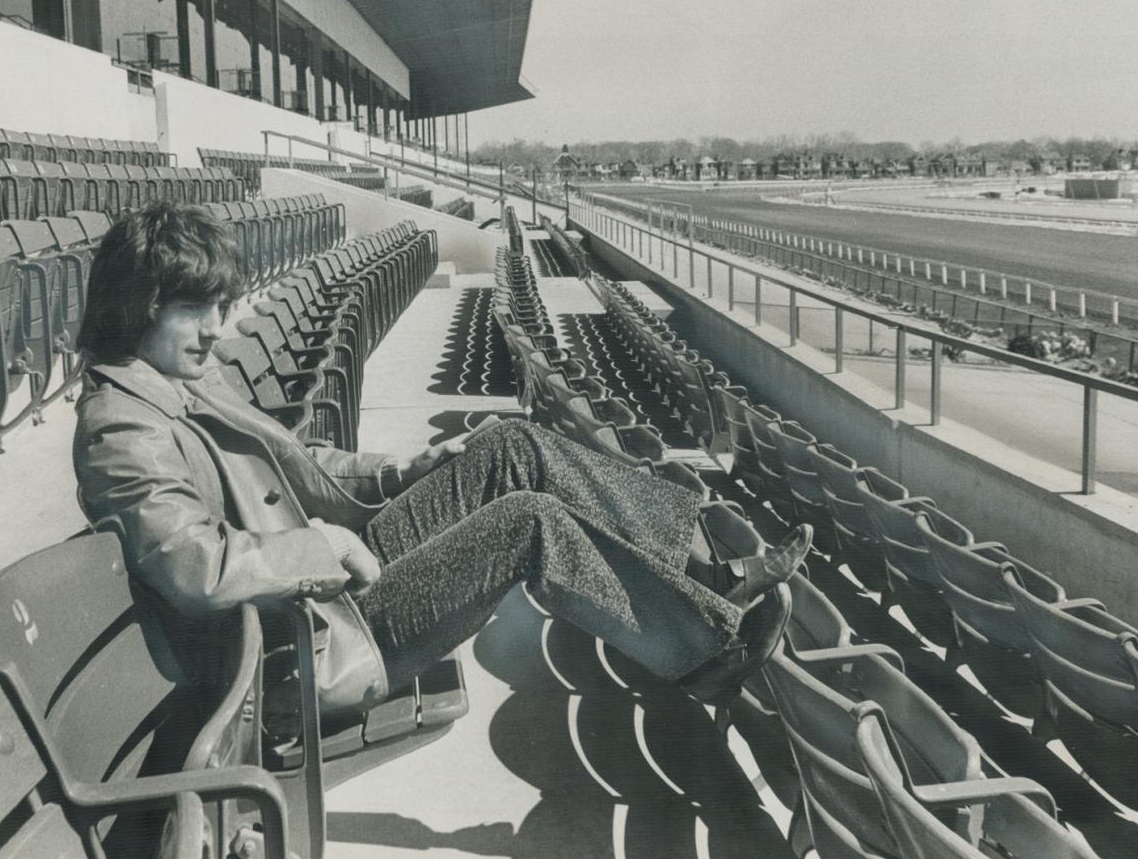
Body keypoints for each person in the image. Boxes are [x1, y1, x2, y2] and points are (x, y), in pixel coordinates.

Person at [72, 203, 808, 716]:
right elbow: (192, 567)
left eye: (218, 308)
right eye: (193, 311)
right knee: (530, 524)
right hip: (308, 644)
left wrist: (407, 470)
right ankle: (708, 655)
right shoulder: (121, 428)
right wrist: (316, 544)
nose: (214, 330)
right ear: (139, 305)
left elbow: (300, 463)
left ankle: (707, 566)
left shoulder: (181, 376)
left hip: (327, 587)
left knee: (509, 443)